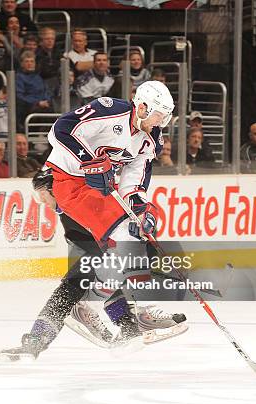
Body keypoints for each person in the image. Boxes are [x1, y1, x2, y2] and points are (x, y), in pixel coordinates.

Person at [0, 148, 188, 361]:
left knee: (79, 286)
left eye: (42, 194)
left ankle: (127, 321)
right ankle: (128, 322)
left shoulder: (78, 200)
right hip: (118, 255)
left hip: (124, 251)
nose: (42, 202)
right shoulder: (70, 207)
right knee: (89, 281)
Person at [37, 82, 177, 345]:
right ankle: (125, 310)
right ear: (143, 106)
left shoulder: (149, 139)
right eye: (159, 114)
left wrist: (141, 211)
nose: (162, 122)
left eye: (166, 117)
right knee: (114, 243)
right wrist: (88, 161)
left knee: (135, 233)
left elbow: (133, 182)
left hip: (97, 190)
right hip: (69, 183)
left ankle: (108, 309)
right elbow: (60, 130)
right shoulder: (109, 110)